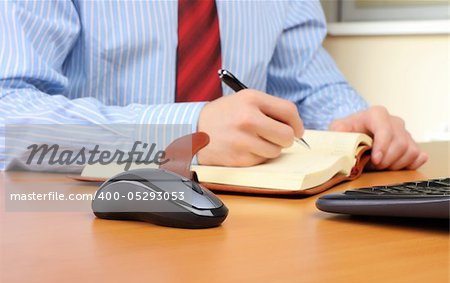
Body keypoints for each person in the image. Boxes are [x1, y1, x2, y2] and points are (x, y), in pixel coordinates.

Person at [0, 0, 427, 171]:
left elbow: (306, 86)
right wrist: (187, 135)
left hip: (250, 231)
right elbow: (9, 115)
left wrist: (351, 124)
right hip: (82, 224)